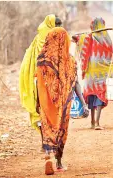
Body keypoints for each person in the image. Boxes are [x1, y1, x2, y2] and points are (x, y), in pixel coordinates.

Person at [36, 27, 78, 175]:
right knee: (61, 130)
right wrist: (83, 103)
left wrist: (37, 102)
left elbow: (38, 82)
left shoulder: (42, 59)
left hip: (46, 103)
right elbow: (74, 81)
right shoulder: (70, 61)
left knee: (47, 129)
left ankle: (47, 154)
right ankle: (59, 163)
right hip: (63, 105)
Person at [19, 14, 61, 147]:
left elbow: (28, 61)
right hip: (51, 80)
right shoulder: (54, 39)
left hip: (37, 81)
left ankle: (45, 141)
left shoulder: (37, 40)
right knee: (53, 110)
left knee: (40, 110)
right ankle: (52, 140)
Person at [72, 17, 113, 130]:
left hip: (91, 74)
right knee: (99, 96)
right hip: (101, 73)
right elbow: (111, 55)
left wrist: (77, 38)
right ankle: (96, 123)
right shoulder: (106, 38)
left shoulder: (88, 37)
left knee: (93, 96)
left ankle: (93, 122)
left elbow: (79, 40)